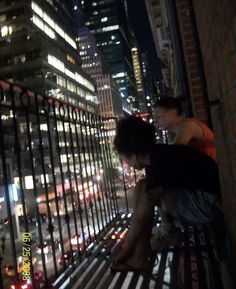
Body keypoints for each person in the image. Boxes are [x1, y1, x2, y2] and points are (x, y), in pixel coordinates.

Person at [112, 116, 225, 272]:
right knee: (142, 186)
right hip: (207, 199)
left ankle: (147, 250)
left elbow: (141, 216)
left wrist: (125, 250)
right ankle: (141, 256)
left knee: (146, 193)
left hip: (211, 204)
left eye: (124, 157)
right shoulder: (159, 156)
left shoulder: (158, 163)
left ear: (133, 154)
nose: (126, 163)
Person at [153, 97, 217, 248]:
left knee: (155, 188)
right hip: (204, 184)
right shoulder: (183, 129)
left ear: (174, 111)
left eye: (159, 115)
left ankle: (169, 229)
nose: (156, 120)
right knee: (157, 185)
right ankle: (169, 227)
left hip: (210, 191)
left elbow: (172, 158)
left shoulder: (188, 126)